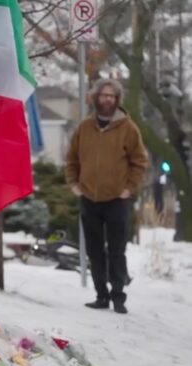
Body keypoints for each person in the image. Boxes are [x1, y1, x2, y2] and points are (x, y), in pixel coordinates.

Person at [66, 78, 147, 314]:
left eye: (112, 96)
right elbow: (71, 159)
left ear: (117, 100)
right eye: (104, 95)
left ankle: (118, 295)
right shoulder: (84, 128)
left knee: (116, 250)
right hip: (89, 198)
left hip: (117, 199)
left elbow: (139, 162)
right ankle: (101, 295)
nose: (108, 99)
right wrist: (74, 184)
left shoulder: (128, 128)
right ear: (96, 98)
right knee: (94, 250)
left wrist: (129, 188)